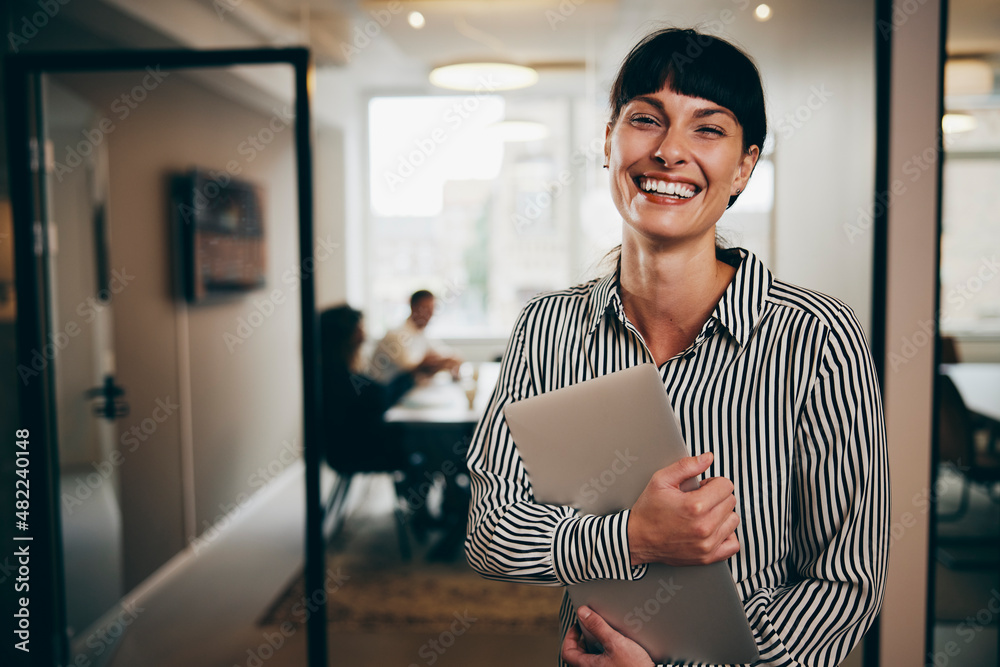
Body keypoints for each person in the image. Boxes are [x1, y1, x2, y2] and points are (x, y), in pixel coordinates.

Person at [464, 27, 889, 667]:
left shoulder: (818, 338)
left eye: (708, 129)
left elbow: (846, 581)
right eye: (645, 120)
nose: (669, 151)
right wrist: (632, 537)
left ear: (744, 166)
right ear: (608, 143)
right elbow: (490, 531)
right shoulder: (545, 328)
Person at [319, 304, 449, 473]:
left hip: (353, 446)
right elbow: (380, 398)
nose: (364, 334)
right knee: (432, 440)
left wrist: (413, 374)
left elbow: (381, 396)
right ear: (351, 336)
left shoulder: (331, 374)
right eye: (360, 328)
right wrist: (414, 373)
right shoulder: (344, 380)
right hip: (360, 452)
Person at [368, 290, 461, 384]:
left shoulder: (421, 333)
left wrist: (450, 359)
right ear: (413, 307)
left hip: (404, 390)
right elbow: (411, 370)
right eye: (426, 310)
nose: (429, 316)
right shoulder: (396, 335)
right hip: (387, 392)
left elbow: (446, 353)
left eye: (432, 310)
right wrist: (437, 363)